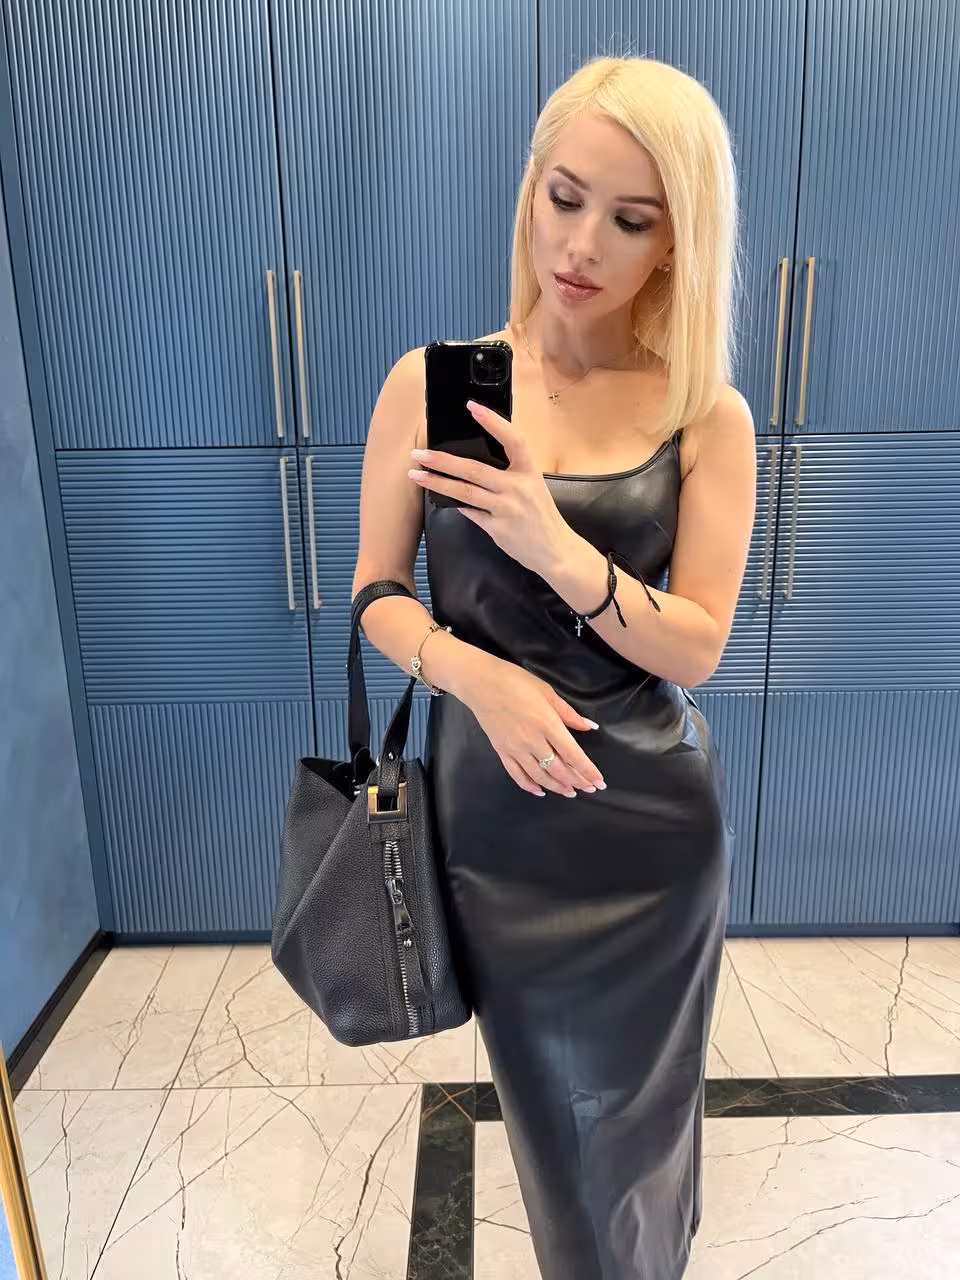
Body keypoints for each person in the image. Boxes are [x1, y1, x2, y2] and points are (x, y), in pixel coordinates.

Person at [353, 54, 756, 1280]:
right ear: (530, 188)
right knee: (554, 1138)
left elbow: (700, 643)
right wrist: (474, 675)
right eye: (565, 197)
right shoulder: (427, 386)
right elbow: (375, 595)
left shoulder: (704, 413)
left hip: (650, 825)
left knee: (643, 1130)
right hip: (498, 825)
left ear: (676, 244)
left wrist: (556, 546)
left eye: (631, 219)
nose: (581, 244)